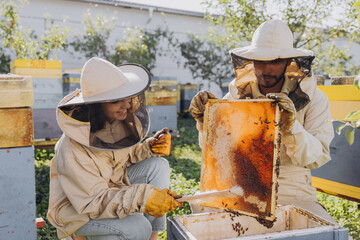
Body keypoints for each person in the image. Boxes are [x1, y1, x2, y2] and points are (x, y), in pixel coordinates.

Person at [189, 19, 336, 223]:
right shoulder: (236, 95)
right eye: (260, 60)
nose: (266, 69)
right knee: (207, 223)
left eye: (274, 61)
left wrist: (291, 127)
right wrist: (206, 124)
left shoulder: (315, 98)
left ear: (288, 62)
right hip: (241, 185)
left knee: (324, 231)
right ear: (250, 61)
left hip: (292, 187)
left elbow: (316, 158)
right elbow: (218, 153)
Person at [47, 57, 182, 240]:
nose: (127, 105)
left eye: (128, 98)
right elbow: (94, 201)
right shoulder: (72, 150)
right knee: (136, 226)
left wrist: (149, 147)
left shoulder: (114, 122)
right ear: (96, 104)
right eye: (117, 100)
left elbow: (124, 156)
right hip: (79, 210)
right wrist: (142, 197)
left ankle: (153, 237)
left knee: (158, 166)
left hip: (112, 187)